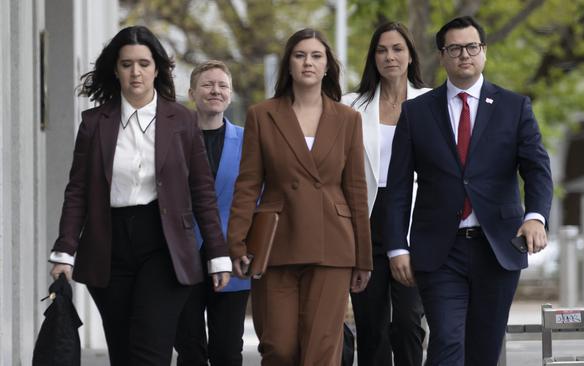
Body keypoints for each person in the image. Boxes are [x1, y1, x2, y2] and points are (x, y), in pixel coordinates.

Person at [48, 25, 231, 365]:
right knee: (123, 351)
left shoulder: (182, 121)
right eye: (127, 64)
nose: (136, 72)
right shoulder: (94, 123)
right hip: (109, 244)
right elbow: (78, 191)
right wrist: (64, 249)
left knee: (150, 350)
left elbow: (202, 191)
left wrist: (218, 254)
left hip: (164, 244)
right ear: (115, 69)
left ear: (157, 68)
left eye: (144, 63)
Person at [384, 16, 553, 366]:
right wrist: (397, 247)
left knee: (484, 349)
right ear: (442, 56)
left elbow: (537, 169)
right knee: (446, 342)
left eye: (472, 47)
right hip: (439, 251)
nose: (465, 55)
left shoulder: (513, 106)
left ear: (484, 52)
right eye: (455, 48)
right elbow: (399, 187)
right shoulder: (416, 113)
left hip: (498, 247)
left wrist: (535, 216)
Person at [227, 28, 372, 365]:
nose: (308, 62)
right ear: (288, 65)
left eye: (316, 56)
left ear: (327, 67)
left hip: (332, 244)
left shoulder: (348, 119)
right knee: (278, 347)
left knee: (321, 351)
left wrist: (363, 257)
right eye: (300, 55)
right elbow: (247, 184)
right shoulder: (262, 115)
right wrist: (236, 242)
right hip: (278, 241)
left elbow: (356, 189)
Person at [341, 21, 428, 366]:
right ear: (372, 58)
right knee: (371, 324)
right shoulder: (350, 105)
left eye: (397, 49)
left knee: (408, 322)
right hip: (364, 222)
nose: (389, 56)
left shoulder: (430, 103)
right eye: (381, 50)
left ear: (410, 56)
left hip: (413, 223)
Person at [175, 60, 249, 366]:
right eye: (207, 85)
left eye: (222, 86)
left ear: (230, 95)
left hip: (232, 257)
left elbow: (256, 198)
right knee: (189, 350)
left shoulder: (249, 141)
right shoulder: (173, 139)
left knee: (228, 351)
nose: (215, 91)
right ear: (192, 92)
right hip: (182, 257)